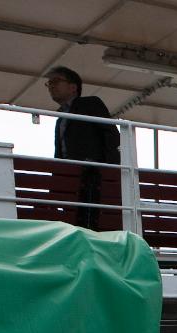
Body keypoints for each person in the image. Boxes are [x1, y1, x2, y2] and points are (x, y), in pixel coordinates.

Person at [45, 66, 119, 230]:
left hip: (91, 174)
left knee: (89, 220)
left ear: (73, 87)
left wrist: (110, 171)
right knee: (73, 221)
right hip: (70, 178)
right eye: (49, 83)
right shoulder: (61, 118)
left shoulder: (89, 104)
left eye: (56, 81)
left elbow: (111, 134)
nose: (51, 86)